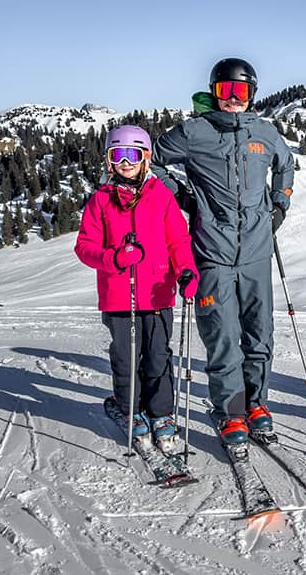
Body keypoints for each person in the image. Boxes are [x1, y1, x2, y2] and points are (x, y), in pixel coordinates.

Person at [152, 58, 294, 446]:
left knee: (260, 334)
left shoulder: (265, 133)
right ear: (215, 93)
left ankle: (257, 404)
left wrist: (279, 206)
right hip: (211, 251)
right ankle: (231, 412)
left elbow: (286, 165)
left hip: (256, 252)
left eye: (241, 92)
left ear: (252, 95)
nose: (233, 99)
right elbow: (155, 161)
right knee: (223, 336)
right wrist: (183, 196)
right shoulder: (194, 132)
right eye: (225, 91)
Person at [74, 125, 199, 454]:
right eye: (118, 155)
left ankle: (161, 413)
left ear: (146, 158)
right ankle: (132, 409)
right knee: (127, 358)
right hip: (118, 295)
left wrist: (186, 270)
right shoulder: (101, 201)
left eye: (132, 155)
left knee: (158, 356)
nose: (125, 162)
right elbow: (84, 247)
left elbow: (178, 241)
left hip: (158, 293)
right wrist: (114, 258)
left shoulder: (162, 197)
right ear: (109, 161)